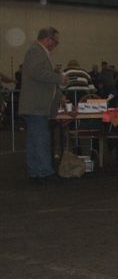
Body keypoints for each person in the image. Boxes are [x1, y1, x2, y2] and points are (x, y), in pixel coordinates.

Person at [18, 27, 67, 184]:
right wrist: (58, 78)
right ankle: (45, 172)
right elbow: (36, 72)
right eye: (56, 41)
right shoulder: (36, 51)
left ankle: (36, 172)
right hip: (37, 105)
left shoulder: (38, 51)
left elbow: (40, 77)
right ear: (48, 40)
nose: (56, 45)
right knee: (41, 139)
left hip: (35, 105)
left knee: (34, 140)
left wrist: (58, 94)